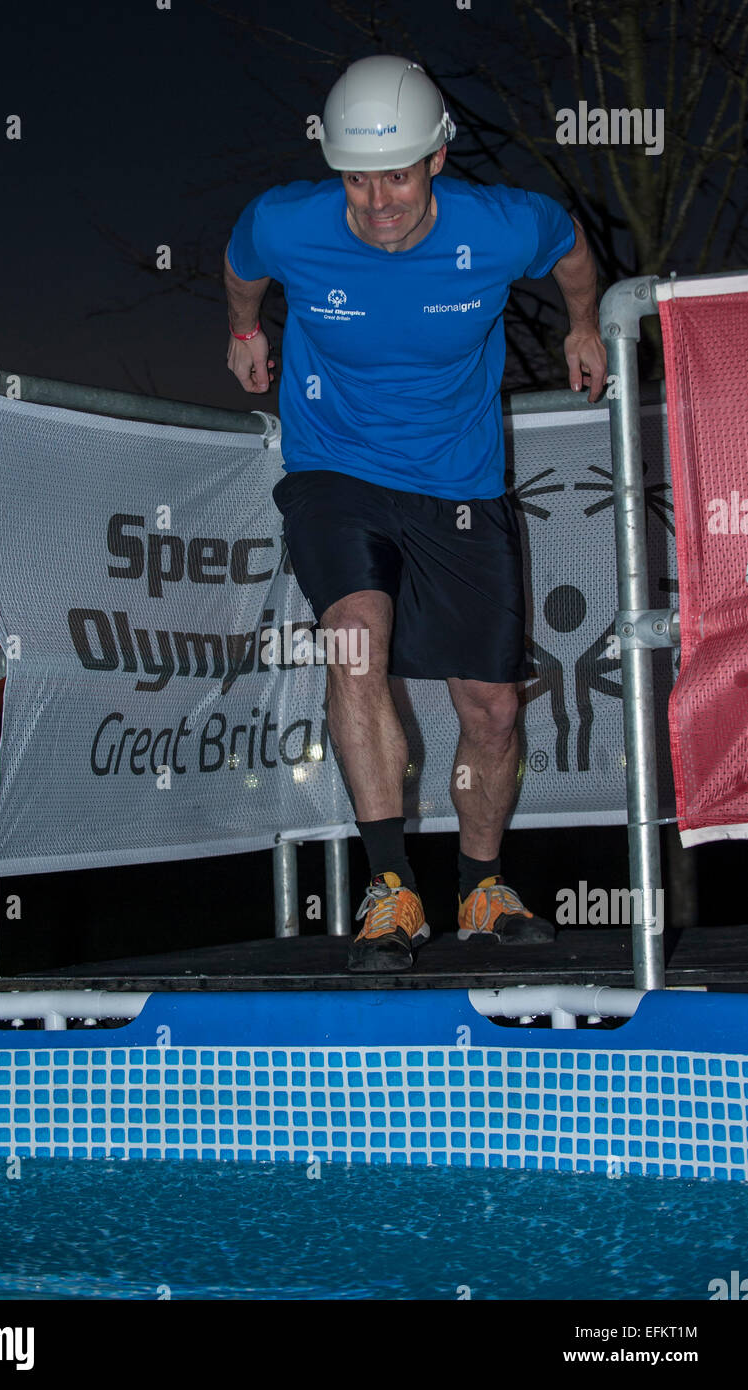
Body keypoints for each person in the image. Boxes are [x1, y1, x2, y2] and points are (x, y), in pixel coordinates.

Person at [223, 54, 608, 972]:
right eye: (356, 177)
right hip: (335, 469)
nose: (377, 200)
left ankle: (481, 885)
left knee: (492, 712)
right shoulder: (289, 222)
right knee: (354, 641)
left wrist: (583, 323)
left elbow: (571, 253)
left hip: (460, 486)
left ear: (437, 158)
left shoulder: (501, 224)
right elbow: (241, 270)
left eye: (395, 175)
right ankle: (390, 889)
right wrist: (243, 329)